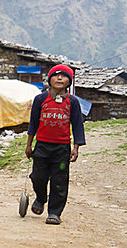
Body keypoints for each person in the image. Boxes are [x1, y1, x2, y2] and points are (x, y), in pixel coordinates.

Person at [24, 64, 85, 225]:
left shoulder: (72, 102)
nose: (59, 78)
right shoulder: (41, 99)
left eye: (64, 76)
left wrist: (76, 148)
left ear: (69, 81)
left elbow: (78, 125)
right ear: (49, 79)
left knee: (59, 181)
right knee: (38, 177)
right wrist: (29, 145)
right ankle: (41, 198)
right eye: (56, 75)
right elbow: (33, 124)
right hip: (42, 146)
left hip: (62, 149)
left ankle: (54, 212)